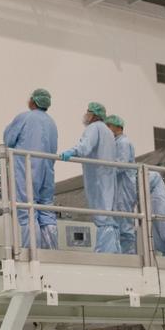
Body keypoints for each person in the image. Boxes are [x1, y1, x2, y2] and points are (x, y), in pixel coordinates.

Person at [60, 103, 120, 253]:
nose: (85, 114)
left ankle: (105, 252)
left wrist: (70, 152)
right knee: (108, 215)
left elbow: (85, 147)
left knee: (102, 216)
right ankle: (112, 249)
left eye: (88, 112)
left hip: (98, 178)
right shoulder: (108, 131)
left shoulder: (94, 128)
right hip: (106, 177)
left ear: (93, 114)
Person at [3, 88, 59, 249]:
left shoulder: (24, 118)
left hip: (26, 170)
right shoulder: (51, 122)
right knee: (46, 209)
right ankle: (51, 251)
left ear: (33, 101)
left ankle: (32, 252)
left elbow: (9, 139)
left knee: (27, 210)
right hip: (47, 171)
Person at [107, 115, 138, 255]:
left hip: (124, 187)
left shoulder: (123, 143)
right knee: (119, 222)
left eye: (109, 126)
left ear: (118, 127)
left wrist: (104, 171)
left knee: (125, 224)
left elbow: (121, 164)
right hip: (119, 187)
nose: (107, 129)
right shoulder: (116, 142)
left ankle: (129, 256)